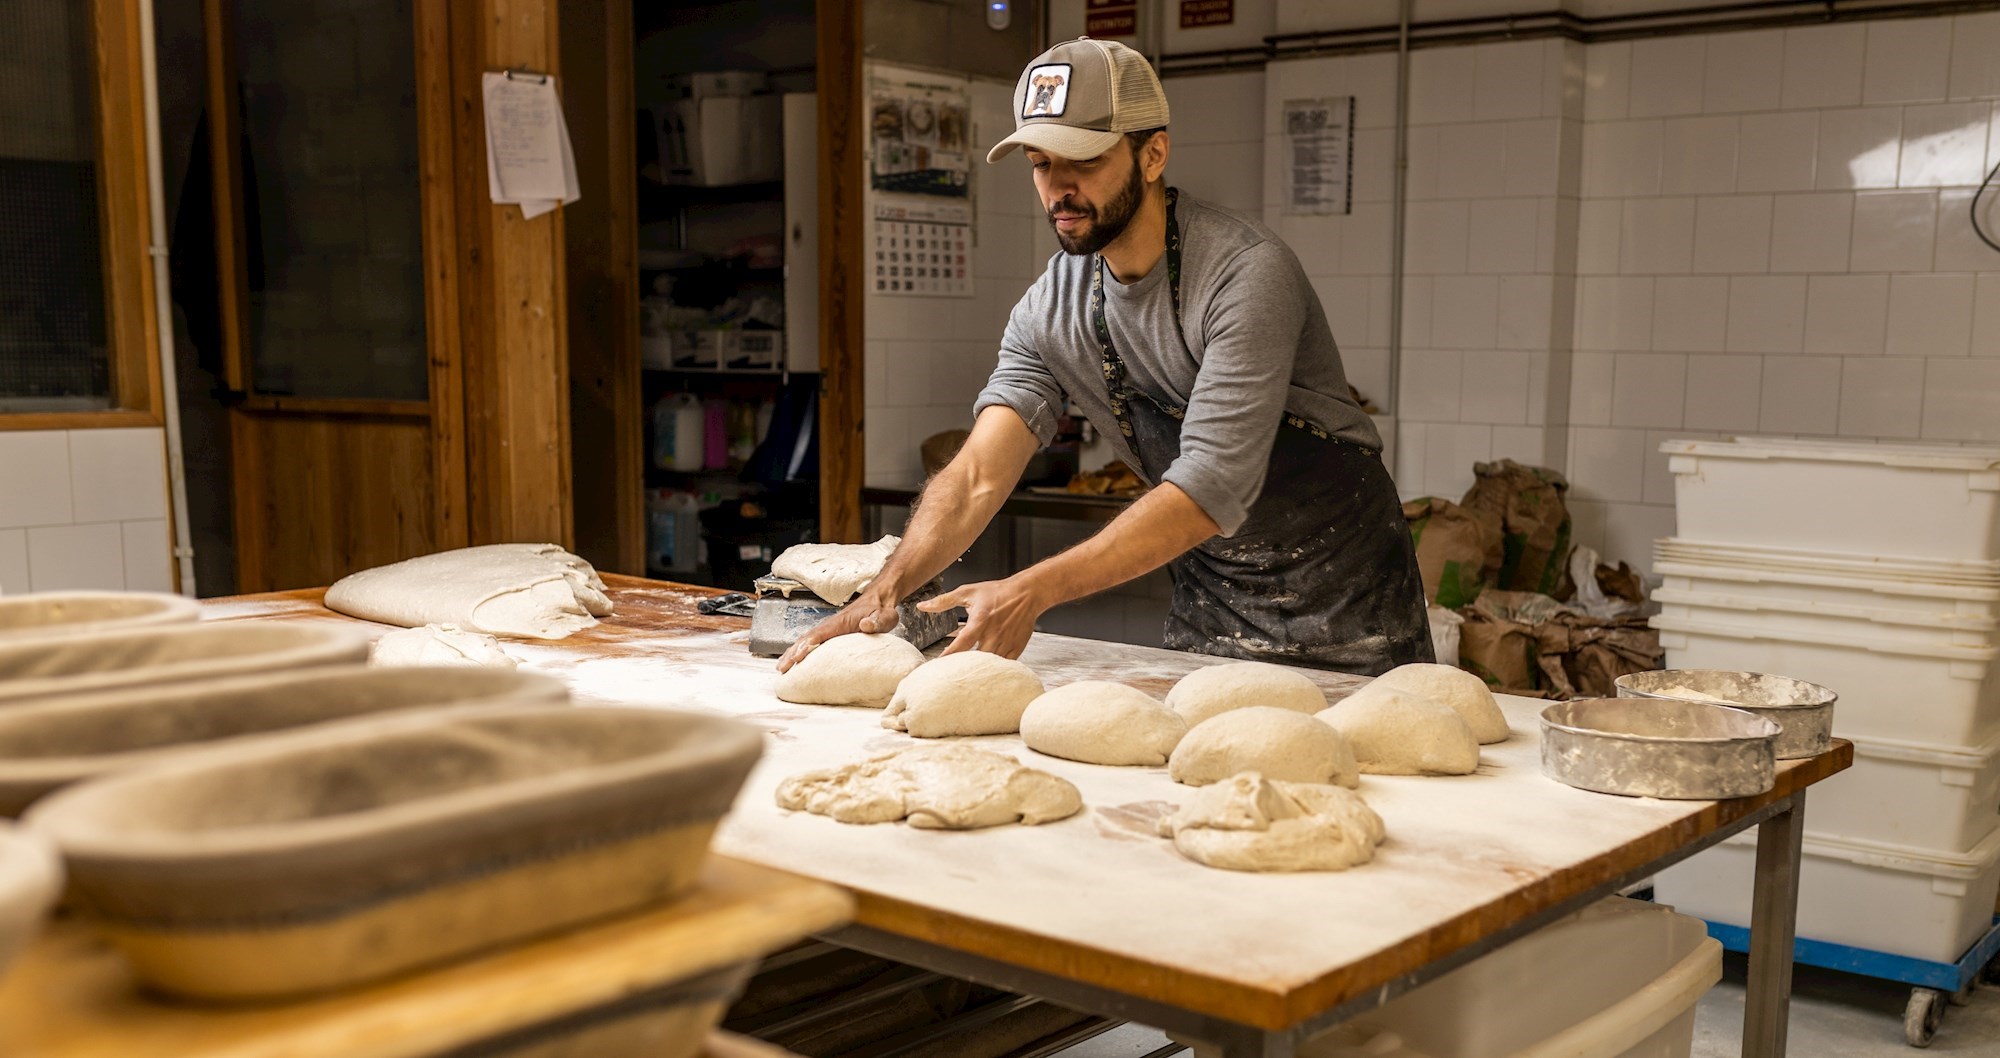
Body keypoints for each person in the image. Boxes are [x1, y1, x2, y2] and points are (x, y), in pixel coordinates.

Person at [780, 37, 1431, 677]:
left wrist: (1032, 589)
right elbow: (978, 472)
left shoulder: (1246, 274)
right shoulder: (1051, 308)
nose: (1058, 188)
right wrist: (884, 592)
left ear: (1154, 155)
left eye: (1082, 160)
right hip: (1213, 614)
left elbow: (1209, 484)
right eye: (1040, 163)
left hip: (1352, 618)